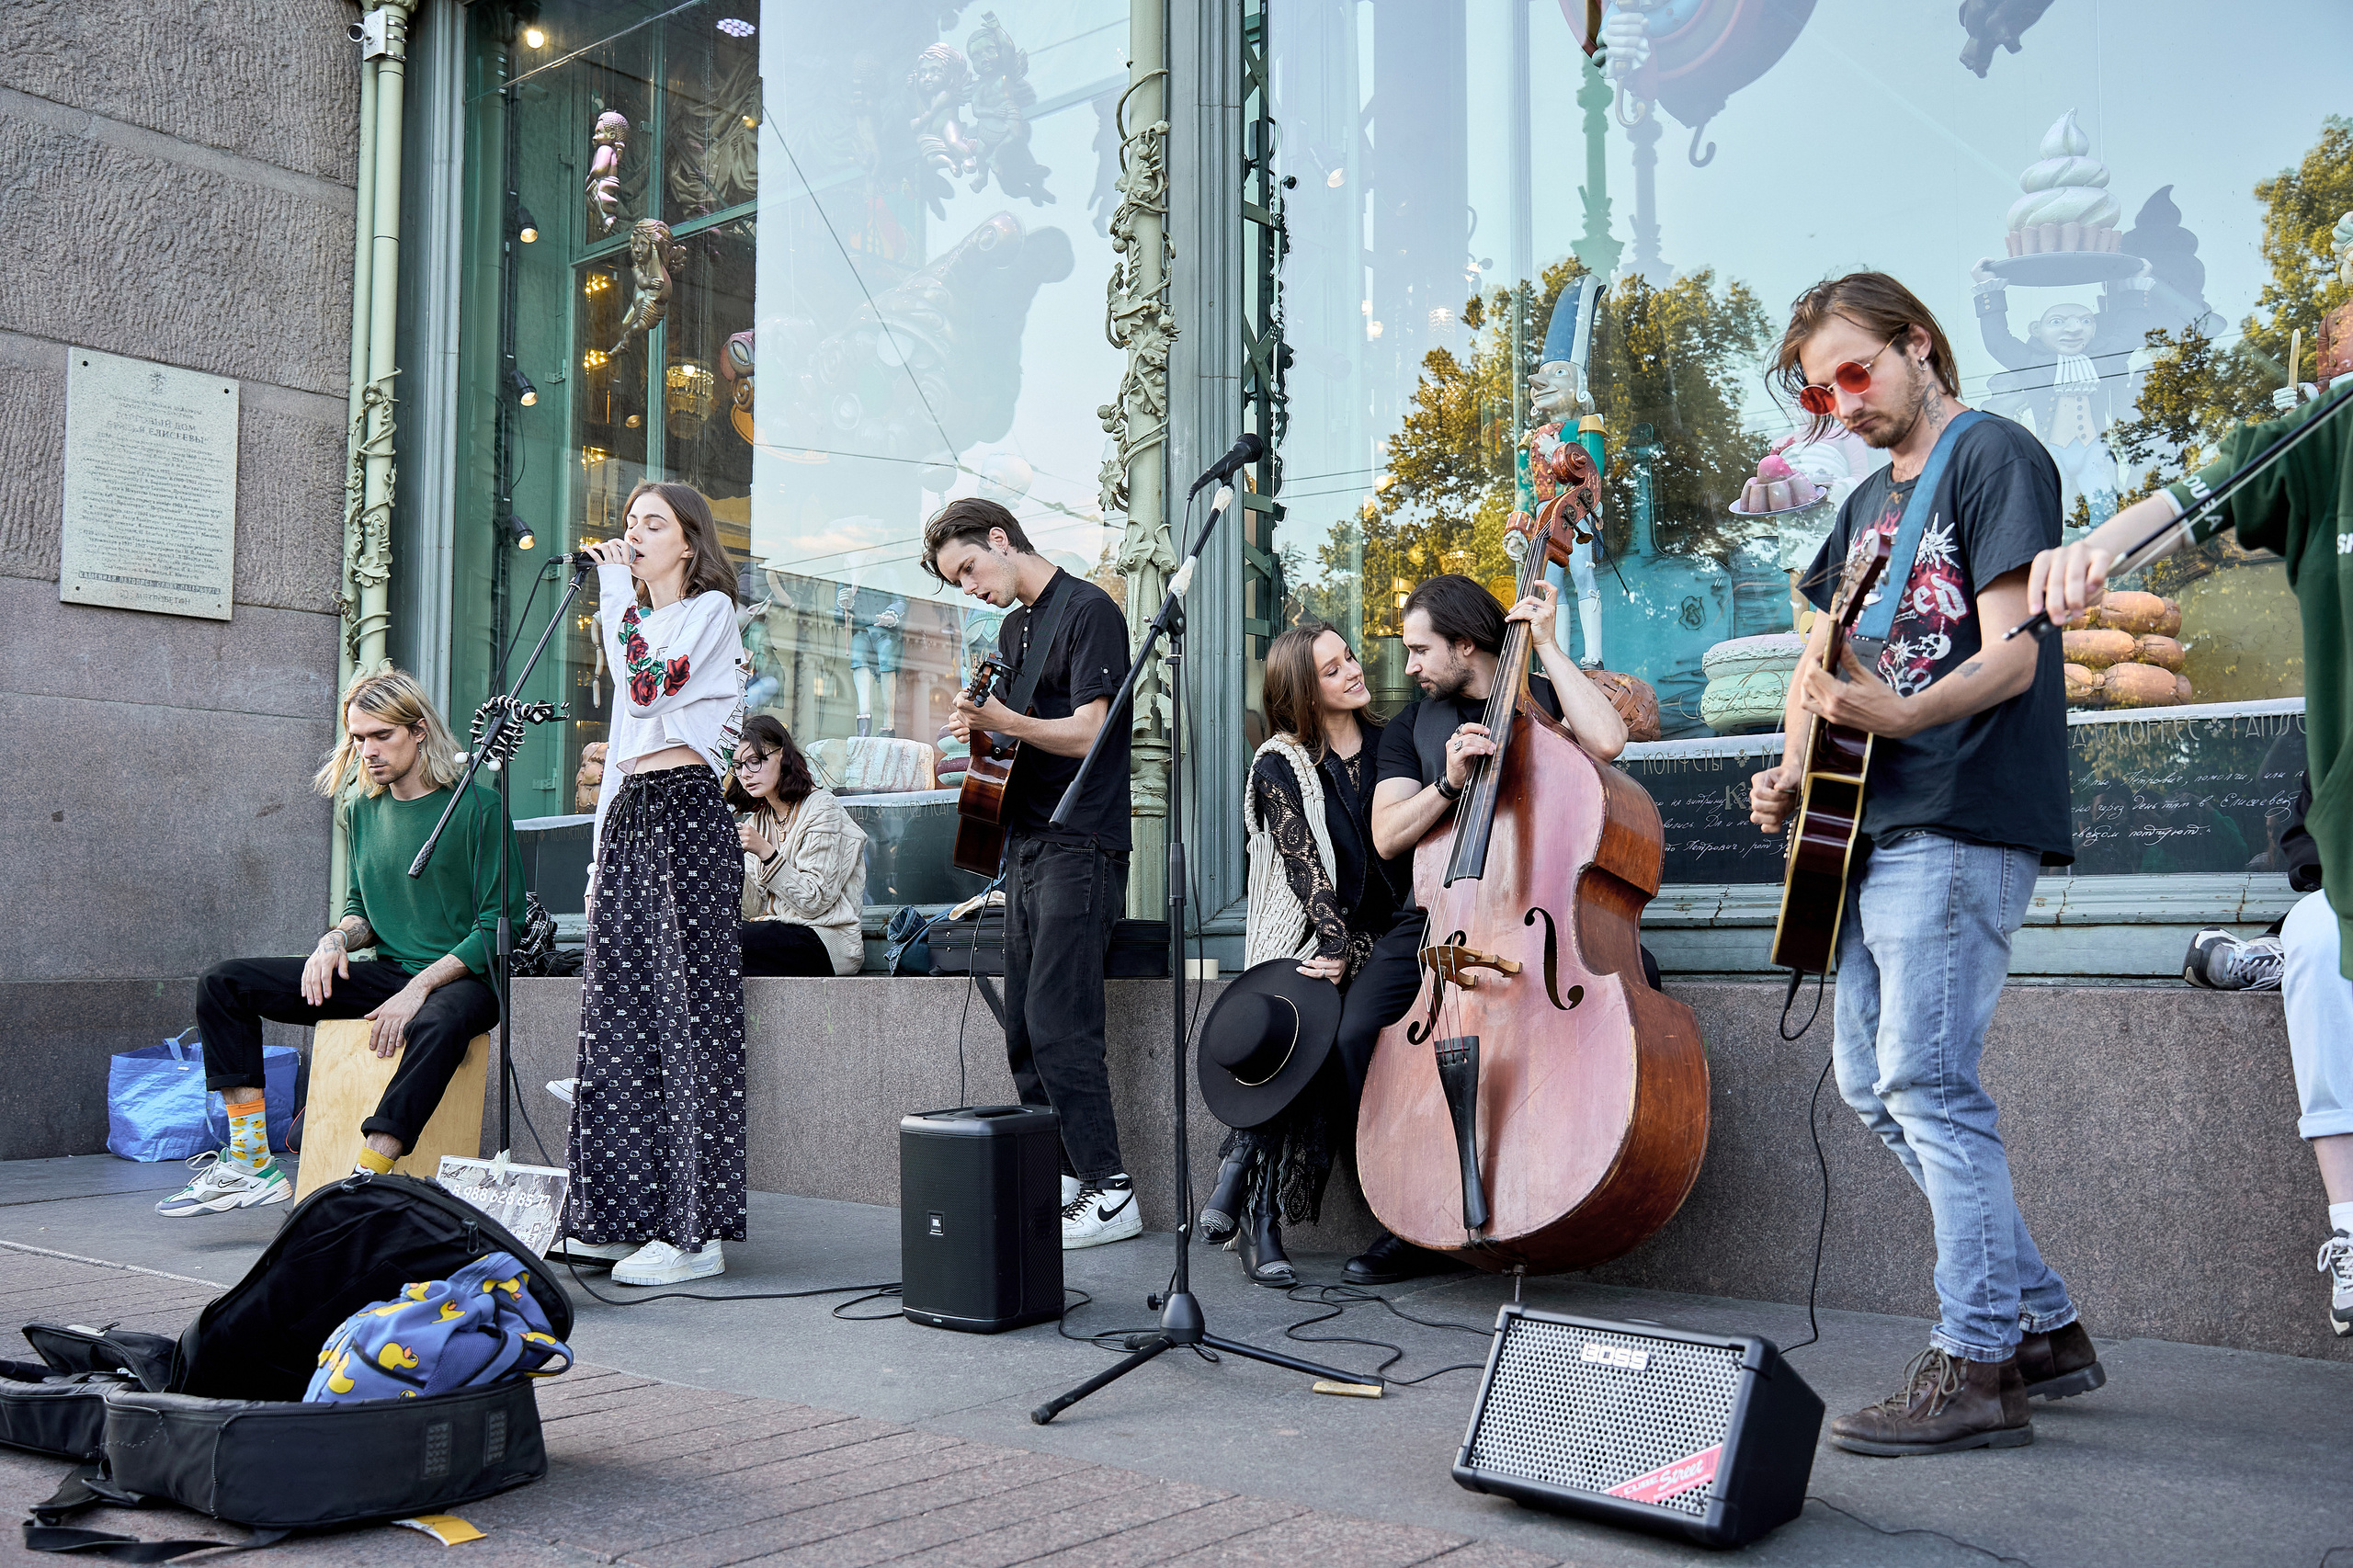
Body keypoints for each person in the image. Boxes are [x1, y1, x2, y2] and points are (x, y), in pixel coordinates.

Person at [1750, 272, 2104, 1458]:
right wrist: (1792, 766)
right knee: (1874, 1085)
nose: (1839, 400)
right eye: (1817, 388)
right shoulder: (1860, 509)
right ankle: (2042, 1323)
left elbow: (2011, 657)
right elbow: (1825, 661)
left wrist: (1898, 723)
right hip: (1864, 827)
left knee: (1929, 1086)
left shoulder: (1990, 455)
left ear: (1918, 346)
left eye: (1856, 371)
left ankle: (1977, 1364)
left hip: (1956, 814)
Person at [2029, 384, 2353, 1339]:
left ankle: (2269, 953)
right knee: (2323, 942)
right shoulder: (2328, 433)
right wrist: (2094, 548)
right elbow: (2194, 498)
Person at [1352, 572, 1631, 1284]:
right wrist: (1445, 784)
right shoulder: (1414, 727)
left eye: (1420, 651)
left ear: (1466, 645)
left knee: (1615, 1014)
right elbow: (1387, 836)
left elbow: (1608, 739)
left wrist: (1548, 647)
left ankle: (1549, 1185)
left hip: (1542, 921)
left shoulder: (1537, 699)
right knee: (1359, 1032)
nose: (1409, 667)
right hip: (1439, 923)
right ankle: (1413, 1215)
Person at [166, 670, 523, 1217]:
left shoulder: (478, 806)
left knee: (435, 1019)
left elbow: (500, 922)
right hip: (390, 974)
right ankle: (250, 1164)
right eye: (358, 738)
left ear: (420, 730)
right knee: (226, 983)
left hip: (465, 983)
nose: (368, 751)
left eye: (382, 736)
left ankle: (367, 1176)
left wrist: (419, 990)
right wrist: (335, 939)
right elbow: (364, 911)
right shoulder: (361, 810)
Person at [927, 496, 1140, 1249]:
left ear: (999, 538)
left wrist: (1002, 723)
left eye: (969, 569)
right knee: (1022, 1026)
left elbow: (1089, 732)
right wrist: (980, 733)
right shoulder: (1015, 630)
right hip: (1026, 844)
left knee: (1059, 1022)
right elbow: (1012, 745)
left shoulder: (1090, 611)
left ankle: (1113, 1189)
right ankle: (1066, 1177)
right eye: (957, 582)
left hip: (1081, 842)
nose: (970, 588)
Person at [566, 481, 750, 1288]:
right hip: (635, 810)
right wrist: (599, 858)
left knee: (687, 1018)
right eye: (628, 523)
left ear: (688, 541)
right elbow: (626, 733)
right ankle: (622, 1213)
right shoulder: (637, 623)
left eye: (651, 523)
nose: (632, 535)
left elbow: (650, 689)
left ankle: (694, 1231)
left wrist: (613, 592)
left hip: (686, 814)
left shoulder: (709, 615)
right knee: (620, 1021)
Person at [1205, 623, 1400, 1286]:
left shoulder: (1391, 746)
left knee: (1317, 1006)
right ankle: (1259, 1213)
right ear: (1300, 691)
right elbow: (1302, 867)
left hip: (1393, 934)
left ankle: (1244, 1185)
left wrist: (1350, 949)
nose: (1352, 670)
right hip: (1310, 938)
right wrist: (1336, 947)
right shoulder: (1280, 764)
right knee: (1307, 1006)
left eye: (1348, 656)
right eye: (1331, 667)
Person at [728, 714, 869, 977]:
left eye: (755, 762)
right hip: (776, 931)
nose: (745, 774)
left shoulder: (822, 808)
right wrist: (728, 862)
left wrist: (766, 853)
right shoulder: (757, 821)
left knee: (724, 943)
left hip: (827, 938)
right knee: (710, 938)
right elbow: (755, 910)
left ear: (782, 756)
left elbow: (815, 900)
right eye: (737, 765)